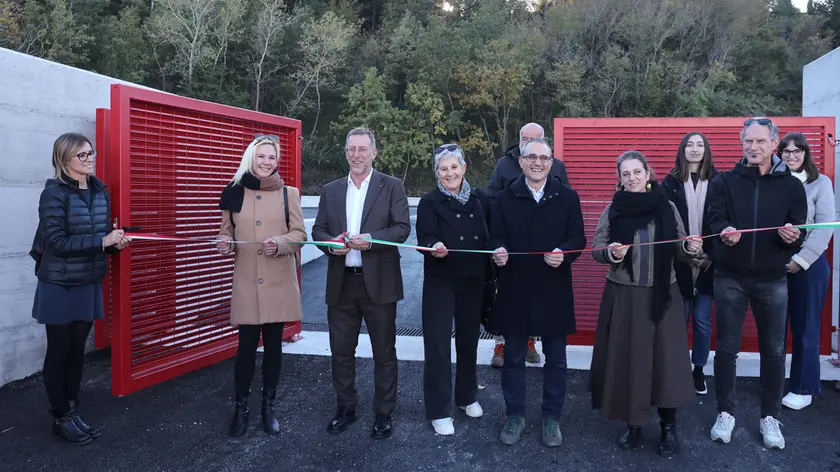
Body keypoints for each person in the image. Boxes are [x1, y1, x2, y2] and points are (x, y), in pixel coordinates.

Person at [590, 150, 702, 458]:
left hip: (663, 296)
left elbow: (680, 246)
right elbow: (597, 248)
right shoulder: (613, 209)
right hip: (624, 296)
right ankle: (634, 425)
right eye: (625, 174)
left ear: (647, 173)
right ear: (620, 179)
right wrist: (611, 252)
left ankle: (668, 428)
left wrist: (689, 246)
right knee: (629, 362)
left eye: (636, 172)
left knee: (666, 362)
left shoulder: (665, 206)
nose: (632, 178)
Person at [707, 118, 807, 450]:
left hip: (772, 278)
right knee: (726, 349)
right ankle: (726, 412)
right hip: (730, 277)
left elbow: (800, 230)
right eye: (748, 141)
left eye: (761, 141)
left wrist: (792, 237)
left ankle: (769, 416)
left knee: (774, 350)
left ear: (774, 144)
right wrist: (724, 232)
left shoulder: (792, 186)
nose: (754, 147)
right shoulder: (724, 181)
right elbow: (714, 220)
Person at [312, 127, 411, 440]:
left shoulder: (392, 186)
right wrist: (330, 245)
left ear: (374, 152)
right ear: (346, 152)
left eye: (362, 149)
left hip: (379, 283)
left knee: (384, 352)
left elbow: (401, 229)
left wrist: (372, 240)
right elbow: (318, 231)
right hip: (341, 283)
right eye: (351, 149)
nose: (356, 154)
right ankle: (346, 407)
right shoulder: (331, 189)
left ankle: (383, 411)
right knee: (341, 351)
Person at [31, 132, 129, 445]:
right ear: (64, 160)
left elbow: (100, 238)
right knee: (59, 350)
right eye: (82, 156)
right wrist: (102, 241)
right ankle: (59, 417)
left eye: (91, 153)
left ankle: (72, 411)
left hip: (88, 281)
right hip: (59, 283)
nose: (90, 159)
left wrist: (115, 244)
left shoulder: (99, 191)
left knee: (77, 352)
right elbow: (57, 243)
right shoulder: (54, 194)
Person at [488, 138, 586, 447]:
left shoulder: (567, 197)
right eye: (532, 157)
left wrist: (565, 252)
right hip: (515, 287)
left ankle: (551, 418)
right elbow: (496, 236)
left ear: (552, 162)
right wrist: (498, 251)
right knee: (514, 357)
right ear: (521, 161)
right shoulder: (504, 198)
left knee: (556, 359)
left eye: (544, 157)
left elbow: (578, 239)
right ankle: (515, 414)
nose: (538, 162)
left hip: (554, 287)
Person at [217, 134, 307, 437]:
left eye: (272, 157)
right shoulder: (233, 191)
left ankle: (269, 408)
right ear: (251, 158)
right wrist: (225, 242)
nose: (267, 162)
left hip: (278, 281)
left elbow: (299, 235)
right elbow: (224, 231)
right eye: (261, 156)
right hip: (245, 281)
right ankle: (240, 408)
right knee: (244, 349)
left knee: (273, 349)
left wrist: (280, 243)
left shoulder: (289, 194)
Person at [415, 143, 490, 436]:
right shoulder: (429, 202)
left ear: (464, 169)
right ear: (438, 172)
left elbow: (492, 234)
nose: (450, 173)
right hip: (441, 280)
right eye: (443, 169)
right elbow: (426, 236)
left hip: (474, 279)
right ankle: (438, 409)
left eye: (454, 167)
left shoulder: (482, 199)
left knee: (469, 342)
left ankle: (467, 396)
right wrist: (434, 246)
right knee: (437, 346)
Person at [486, 123, 570, 367]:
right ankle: (501, 344)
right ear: (519, 141)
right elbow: (492, 197)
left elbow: (566, 202)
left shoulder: (558, 166)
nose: (536, 161)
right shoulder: (504, 164)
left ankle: (530, 341)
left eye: (535, 139)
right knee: (507, 298)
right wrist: (498, 239)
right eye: (525, 138)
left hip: (546, 250)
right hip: (512, 249)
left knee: (540, 300)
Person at [777, 132, 835, 411]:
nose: (791, 156)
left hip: (808, 265)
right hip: (775, 264)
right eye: (786, 151)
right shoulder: (773, 182)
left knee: (805, 328)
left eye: (797, 151)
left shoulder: (820, 183)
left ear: (805, 153)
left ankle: (803, 387)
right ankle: (776, 381)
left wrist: (801, 260)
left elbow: (825, 226)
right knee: (776, 328)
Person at [661, 132, 719, 395]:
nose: (694, 149)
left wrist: (710, 255)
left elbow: (725, 221)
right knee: (678, 320)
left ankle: (698, 369)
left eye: (700, 145)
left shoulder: (719, 181)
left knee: (702, 321)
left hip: (709, 264)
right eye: (689, 145)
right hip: (679, 263)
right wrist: (684, 251)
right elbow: (665, 224)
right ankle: (676, 367)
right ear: (682, 150)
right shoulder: (669, 183)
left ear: (706, 150)